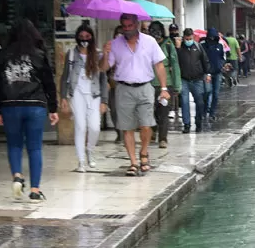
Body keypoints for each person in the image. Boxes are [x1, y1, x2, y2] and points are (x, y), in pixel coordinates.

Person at [0, 19, 59, 203]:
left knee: (14, 144)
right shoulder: (39, 55)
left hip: (10, 105)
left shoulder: (3, 55)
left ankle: (17, 176)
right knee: (35, 147)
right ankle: (35, 190)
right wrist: (53, 107)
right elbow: (48, 83)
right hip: (34, 105)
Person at [103, 12, 168, 176]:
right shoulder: (115, 44)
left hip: (145, 86)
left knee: (146, 125)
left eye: (130, 26)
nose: (127, 29)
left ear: (137, 24)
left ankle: (144, 152)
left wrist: (164, 88)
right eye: (124, 27)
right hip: (123, 88)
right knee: (127, 127)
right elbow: (103, 68)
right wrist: (104, 54)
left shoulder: (150, 42)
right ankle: (133, 162)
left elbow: (159, 65)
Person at [59, 21, 107, 173]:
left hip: (94, 94)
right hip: (77, 93)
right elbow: (64, 76)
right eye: (81, 36)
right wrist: (63, 97)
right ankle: (81, 162)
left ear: (92, 37)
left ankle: (90, 150)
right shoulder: (71, 54)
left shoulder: (98, 54)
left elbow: (103, 78)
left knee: (94, 127)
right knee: (80, 126)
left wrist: (104, 101)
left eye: (87, 36)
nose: (84, 39)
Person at [176, 28, 211, 133]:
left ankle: (198, 122)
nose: (188, 41)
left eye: (190, 38)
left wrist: (207, 73)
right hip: (184, 79)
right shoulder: (180, 47)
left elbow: (205, 60)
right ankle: (186, 124)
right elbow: (175, 61)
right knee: (184, 102)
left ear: (193, 37)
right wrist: (177, 48)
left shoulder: (198, 47)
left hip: (197, 79)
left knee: (199, 102)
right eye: (186, 39)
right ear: (183, 38)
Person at [155, 26, 180, 149]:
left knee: (164, 112)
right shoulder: (147, 45)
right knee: (152, 112)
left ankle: (163, 138)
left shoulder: (169, 45)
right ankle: (153, 132)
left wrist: (177, 86)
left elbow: (175, 65)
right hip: (149, 84)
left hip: (166, 84)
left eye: (157, 32)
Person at [202, 31, 228, 119]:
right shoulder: (203, 46)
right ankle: (205, 109)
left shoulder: (219, 46)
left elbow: (222, 57)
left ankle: (212, 113)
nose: (212, 39)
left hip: (217, 73)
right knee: (207, 91)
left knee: (216, 94)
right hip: (207, 73)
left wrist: (221, 65)